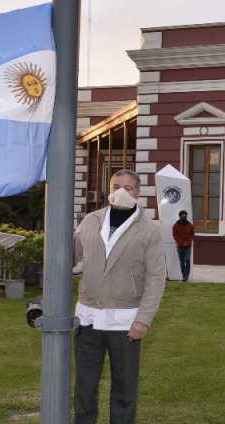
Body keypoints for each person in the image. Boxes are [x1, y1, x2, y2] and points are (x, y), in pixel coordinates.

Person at [73, 169, 167, 424]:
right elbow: (71, 255)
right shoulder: (91, 220)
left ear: (138, 193)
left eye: (128, 188)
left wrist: (143, 320)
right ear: (109, 189)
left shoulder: (149, 230)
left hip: (126, 324)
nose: (121, 192)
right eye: (116, 186)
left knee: (124, 390)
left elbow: (156, 278)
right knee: (84, 387)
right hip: (88, 319)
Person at [172, 210, 195, 282]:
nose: (184, 216)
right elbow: (175, 235)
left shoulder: (190, 225)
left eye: (185, 215)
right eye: (183, 215)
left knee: (187, 259)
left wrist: (187, 242)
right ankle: (184, 276)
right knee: (182, 261)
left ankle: (187, 276)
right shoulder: (175, 225)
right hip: (180, 246)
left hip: (188, 246)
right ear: (180, 216)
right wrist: (181, 242)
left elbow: (192, 235)